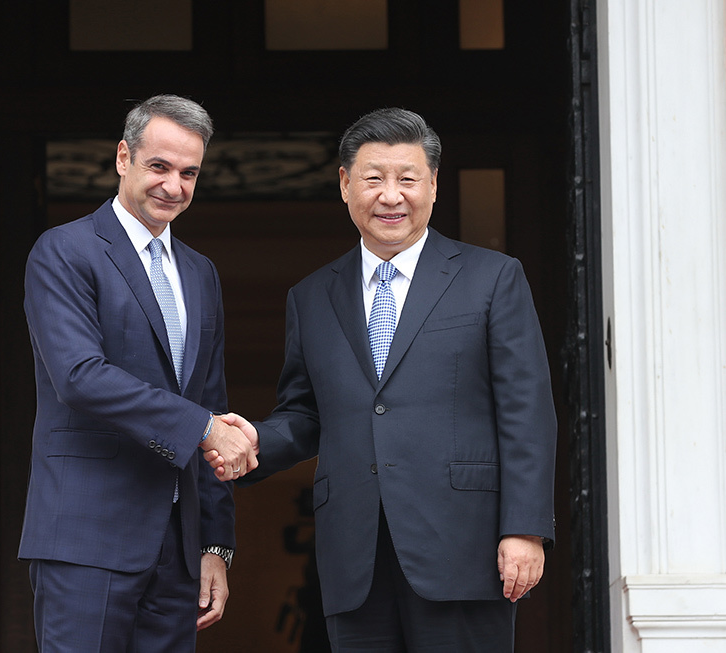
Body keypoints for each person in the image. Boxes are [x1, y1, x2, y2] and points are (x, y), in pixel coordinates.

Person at [209, 107, 557, 652]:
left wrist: (524, 528)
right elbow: (306, 414)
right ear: (345, 185)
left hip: (464, 548)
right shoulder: (311, 297)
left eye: (407, 179)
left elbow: (526, 410)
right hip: (355, 557)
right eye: (373, 178)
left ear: (433, 185)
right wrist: (254, 441)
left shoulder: (492, 278)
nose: (390, 196)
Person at [19, 94, 258, 653]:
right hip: (87, 538)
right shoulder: (65, 251)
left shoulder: (200, 273)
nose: (174, 186)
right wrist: (205, 428)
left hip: (178, 550)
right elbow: (80, 375)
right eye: (159, 166)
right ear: (123, 157)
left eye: (189, 173)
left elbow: (211, 402)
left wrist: (214, 546)